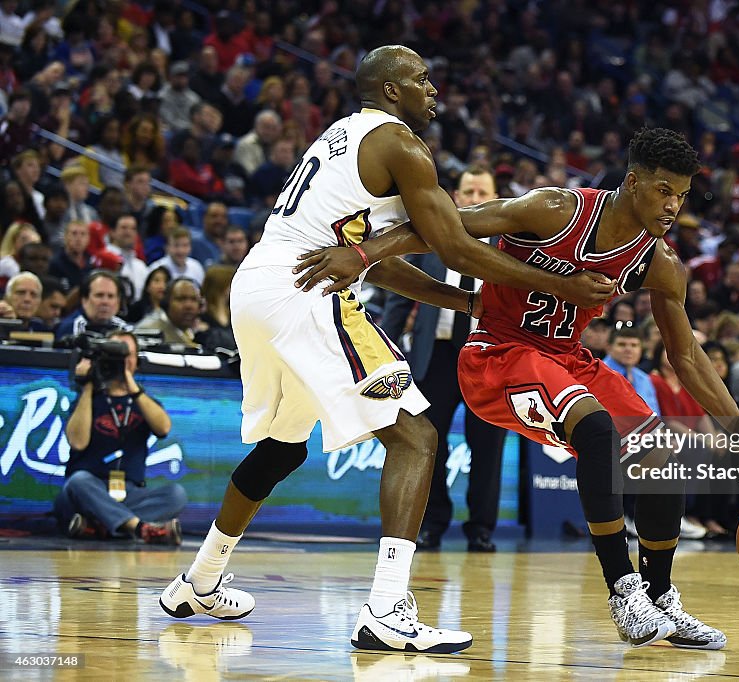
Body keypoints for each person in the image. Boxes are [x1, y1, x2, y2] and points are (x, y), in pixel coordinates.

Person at [160, 45, 611, 655]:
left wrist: (469, 306)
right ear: (391, 91)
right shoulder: (401, 142)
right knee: (416, 437)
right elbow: (453, 248)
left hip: (261, 283)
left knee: (284, 448)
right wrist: (564, 286)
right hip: (305, 288)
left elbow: (380, 258)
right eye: (422, 80)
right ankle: (387, 610)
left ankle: (200, 581)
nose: (433, 90)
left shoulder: (341, 137)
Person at [299, 127, 739, 649]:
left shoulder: (660, 263)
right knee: (596, 428)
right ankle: (623, 589)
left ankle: (661, 597)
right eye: (663, 190)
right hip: (498, 354)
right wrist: (363, 256)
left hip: (566, 359)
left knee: (661, 451)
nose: (673, 205)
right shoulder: (556, 210)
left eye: (681, 195)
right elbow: (442, 226)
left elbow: (687, 357)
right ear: (633, 183)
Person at [381, 167, 508, 553]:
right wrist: (385, 348)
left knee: (487, 445)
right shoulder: (430, 237)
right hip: (434, 356)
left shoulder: (512, 244)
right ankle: (432, 522)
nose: (473, 197)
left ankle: (481, 527)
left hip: (488, 355)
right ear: (454, 196)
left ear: (498, 197)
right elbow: (400, 299)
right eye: (467, 190)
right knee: (426, 440)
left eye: (481, 190)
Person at [58, 331, 185, 544]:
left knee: (176, 494)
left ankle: (101, 526)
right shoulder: (88, 399)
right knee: (78, 481)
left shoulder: (144, 401)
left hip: (129, 491)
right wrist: (87, 386)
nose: (122, 361)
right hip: (90, 488)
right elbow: (78, 442)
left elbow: (163, 428)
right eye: (115, 355)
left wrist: (131, 385)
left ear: (137, 361)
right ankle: (139, 528)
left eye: (128, 355)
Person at [55, 270, 132, 340]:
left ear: (118, 301)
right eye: (99, 295)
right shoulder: (70, 327)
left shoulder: (125, 328)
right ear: (84, 300)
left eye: (110, 296)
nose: (105, 302)